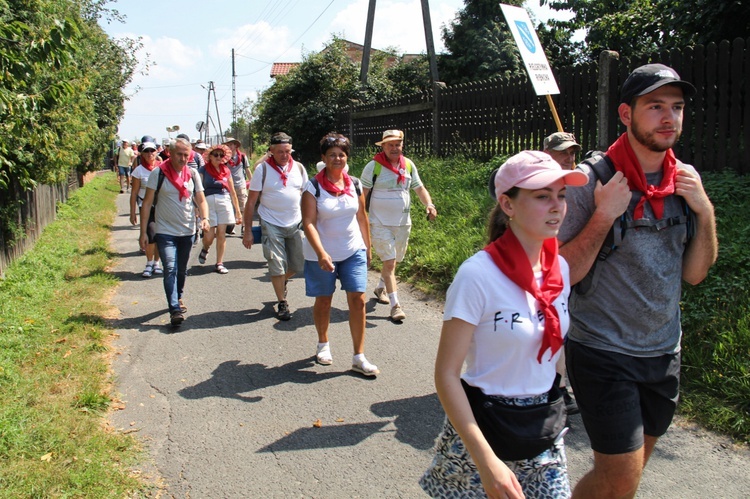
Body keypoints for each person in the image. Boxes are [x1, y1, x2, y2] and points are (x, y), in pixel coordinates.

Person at [557, 63, 718, 498]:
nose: (669, 118)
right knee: (623, 477)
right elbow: (560, 275)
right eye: (655, 107)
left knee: (622, 477)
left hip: (664, 351)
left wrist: (705, 211)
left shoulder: (684, 181)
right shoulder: (589, 183)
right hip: (602, 350)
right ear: (626, 114)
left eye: (677, 107)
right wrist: (604, 215)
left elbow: (696, 274)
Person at [420, 151, 588, 497]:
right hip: (484, 430)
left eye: (561, 196)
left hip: (542, 430)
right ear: (507, 205)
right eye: (542, 197)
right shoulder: (478, 276)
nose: (557, 206)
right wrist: (487, 463)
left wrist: (556, 395)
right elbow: (446, 375)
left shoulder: (561, 270)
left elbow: (555, 348)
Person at [301, 133, 378, 376]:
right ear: (323, 158)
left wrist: (367, 247)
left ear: (347, 158)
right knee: (324, 301)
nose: (337, 158)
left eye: (341, 154)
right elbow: (309, 223)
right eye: (332, 154)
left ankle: (359, 356)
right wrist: (322, 253)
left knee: (358, 299)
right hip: (321, 255)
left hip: (352, 249)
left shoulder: (354, 184)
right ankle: (323, 344)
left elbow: (362, 217)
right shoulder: (312, 187)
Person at [360, 129, 437, 322]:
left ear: (402, 145)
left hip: (403, 222)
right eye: (390, 145)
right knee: (390, 262)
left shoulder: (408, 165)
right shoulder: (373, 166)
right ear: (383, 146)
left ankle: (380, 288)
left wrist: (429, 204)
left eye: (398, 144)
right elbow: (363, 194)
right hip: (379, 222)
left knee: (395, 260)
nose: (394, 148)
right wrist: (358, 216)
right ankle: (396, 306)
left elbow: (419, 188)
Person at [139, 138, 211, 326]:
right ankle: (174, 309)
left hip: (187, 230)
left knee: (181, 269)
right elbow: (146, 204)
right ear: (170, 153)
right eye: (179, 154)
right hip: (165, 231)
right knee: (169, 268)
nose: (183, 158)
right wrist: (143, 232)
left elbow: (201, 199)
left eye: (186, 155)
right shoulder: (158, 173)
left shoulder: (193, 174)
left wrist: (205, 218)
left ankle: (178, 297)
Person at [242, 132, 308, 321]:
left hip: (295, 223)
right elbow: (251, 202)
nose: (284, 155)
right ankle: (282, 302)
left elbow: (306, 196)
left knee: (297, 264)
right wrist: (247, 231)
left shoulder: (300, 168)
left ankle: (282, 280)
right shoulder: (262, 170)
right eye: (279, 152)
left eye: (287, 151)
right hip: (270, 223)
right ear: (271, 151)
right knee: (276, 263)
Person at [543, 131, 583, 416]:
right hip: (545, 266)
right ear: (547, 153)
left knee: (566, 328)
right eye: (562, 152)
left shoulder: (580, 183)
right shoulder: (536, 184)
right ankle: (554, 386)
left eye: (571, 152)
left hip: (574, 265)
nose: (568, 158)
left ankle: (561, 384)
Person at [196, 143, 242, 274]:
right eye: (215, 155)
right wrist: (198, 208)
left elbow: (233, 192)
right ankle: (205, 248)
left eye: (221, 155)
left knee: (222, 233)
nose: (218, 157)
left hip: (224, 201)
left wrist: (238, 211)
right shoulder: (203, 170)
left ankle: (219, 263)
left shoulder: (226, 171)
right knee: (209, 236)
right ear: (210, 156)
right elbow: (197, 191)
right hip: (208, 203)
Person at [129, 138, 162, 277]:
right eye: (146, 151)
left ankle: (156, 263)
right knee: (150, 233)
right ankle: (149, 263)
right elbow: (134, 192)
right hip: (146, 205)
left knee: (160, 236)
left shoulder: (162, 168)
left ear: (156, 152)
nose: (149, 154)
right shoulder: (139, 171)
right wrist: (132, 212)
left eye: (152, 151)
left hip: (162, 205)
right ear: (142, 154)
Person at [223, 137, 252, 235]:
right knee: (230, 207)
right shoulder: (224, 158)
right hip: (228, 185)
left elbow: (247, 169)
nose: (229, 146)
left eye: (231, 144)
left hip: (241, 185)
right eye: (227, 145)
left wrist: (252, 181)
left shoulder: (242, 157)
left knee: (244, 206)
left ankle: (244, 227)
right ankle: (231, 226)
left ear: (235, 145)